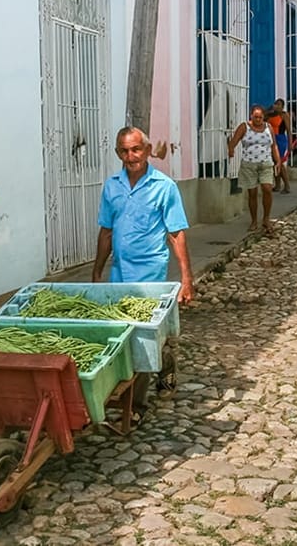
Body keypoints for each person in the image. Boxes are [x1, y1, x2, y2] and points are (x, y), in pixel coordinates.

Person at [92, 126, 195, 417]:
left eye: (136, 149)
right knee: (123, 336)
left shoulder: (164, 187)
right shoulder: (112, 186)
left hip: (151, 275)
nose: (130, 156)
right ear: (117, 153)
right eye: (124, 151)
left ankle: (136, 407)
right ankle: (165, 360)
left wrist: (187, 279)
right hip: (119, 274)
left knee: (139, 339)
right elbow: (106, 232)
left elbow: (176, 234)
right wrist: (97, 271)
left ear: (147, 151)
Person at [228, 104, 282, 237]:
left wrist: (278, 160)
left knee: (267, 189)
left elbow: (273, 145)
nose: (258, 119)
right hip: (249, 165)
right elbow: (234, 140)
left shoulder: (268, 127)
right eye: (255, 117)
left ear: (263, 117)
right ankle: (253, 220)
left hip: (265, 163)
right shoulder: (244, 127)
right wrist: (231, 150)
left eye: (260, 117)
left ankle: (266, 219)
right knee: (252, 193)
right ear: (251, 116)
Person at [266, 98, 292, 193]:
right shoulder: (271, 115)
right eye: (275, 104)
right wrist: (269, 109)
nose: (277, 106)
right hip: (271, 139)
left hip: (280, 139)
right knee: (273, 163)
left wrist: (290, 144)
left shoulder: (284, 115)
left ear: (282, 106)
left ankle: (287, 185)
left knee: (279, 162)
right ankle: (277, 185)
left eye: (279, 104)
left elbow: (288, 131)